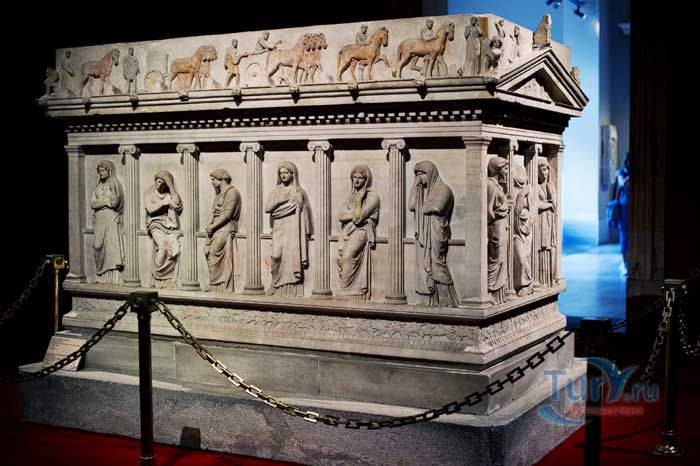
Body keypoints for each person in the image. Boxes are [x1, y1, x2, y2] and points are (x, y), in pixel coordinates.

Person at [409, 161, 459, 307]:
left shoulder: (443, 189)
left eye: (422, 174)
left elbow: (436, 208)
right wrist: (415, 184)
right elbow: (411, 205)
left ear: (431, 173)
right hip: (423, 233)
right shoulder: (423, 191)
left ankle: (447, 301)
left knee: (436, 263)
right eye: (417, 175)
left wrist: (424, 205)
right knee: (424, 266)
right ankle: (430, 300)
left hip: (437, 232)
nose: (420, 178)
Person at [265, 161, 312, 297]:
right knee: (275, 256)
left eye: (286, 172)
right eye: (281, 173)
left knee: (293, 257)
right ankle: (275, 283)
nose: (283, 175)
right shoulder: (277, 190)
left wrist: (300, 205)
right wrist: (279, 201)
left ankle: (291, 288)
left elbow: (304, 212)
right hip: (279, 227)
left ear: (293, 174)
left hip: (293, 228)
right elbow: (267, 208)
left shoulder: (298, 191)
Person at [336, 165, 380, 300]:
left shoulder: (373, 197)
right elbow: (341, 216)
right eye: (354, 177)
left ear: (366, 180)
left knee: (348, 256)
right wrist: (353, 214)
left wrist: (359, 201)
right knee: (341, 257)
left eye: (360, 178)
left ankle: (347, 291)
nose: (356, 180)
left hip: (362, 231)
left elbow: (359, 218)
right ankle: (346, 289)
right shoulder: (351, 196)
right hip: (347, 231)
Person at [145, 170, 183, 289]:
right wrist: (163, 203)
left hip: (169, 225)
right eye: (158, 181)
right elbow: (150, 209)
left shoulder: (169, 192)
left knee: (173, 249)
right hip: (155, 223)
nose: (160, 185)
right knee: (162, 246)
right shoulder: (149, 192)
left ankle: (167, 280)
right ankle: (157, 274)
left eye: (163, 183)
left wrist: (171, 186)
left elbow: (177, 204)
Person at [205, 169, 241, 292]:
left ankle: (220, 285)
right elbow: (214, 212)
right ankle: (214, 284)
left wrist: (212, 226)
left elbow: (227, 214)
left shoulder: (232, 192)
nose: (212, 182)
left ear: (222, 178)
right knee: (209, 253)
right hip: (215, 228)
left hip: (223, 228)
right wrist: (210, 225)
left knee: (214, 252)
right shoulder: (219, 194)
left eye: (213, 179)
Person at [90, 160, 125, 284]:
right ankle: (99, 274)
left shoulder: (114, 183)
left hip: (110, 218)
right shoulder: (98, 186)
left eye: (103, 170)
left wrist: (102, 202)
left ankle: (112, 278)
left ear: (109, 171)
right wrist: (106, 202)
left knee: (111, 248)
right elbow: (93, 204)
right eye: (99, 171)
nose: (101, 173)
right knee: (97, 246)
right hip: (100, 218)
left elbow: (114, 203)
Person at [487, 156, 509, 304]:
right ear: (497, 168)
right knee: (496, 259)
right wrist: (502, 211)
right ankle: (490, 289)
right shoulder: (490, 185)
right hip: (496, 227)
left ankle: (498, 293)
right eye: (505, 168)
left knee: (501, 259)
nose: (507, 171)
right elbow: (488, 210)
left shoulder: (497, 185)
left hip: (502, 225)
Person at [512, 164, 533, 296]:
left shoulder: (529, 190)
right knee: (520, 257)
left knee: (525, 257)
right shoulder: (512, 190)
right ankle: (521, 284)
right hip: (514, 231)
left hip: (526, 229)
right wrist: (520, 195)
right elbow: (516, 209)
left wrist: (524, 194)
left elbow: (532, 210)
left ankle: (527, 284)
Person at [537, 158, 557, 287]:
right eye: (541, 170)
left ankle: (550, 279)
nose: (544, 173)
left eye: (546, 170)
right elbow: (536, 205)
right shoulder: (536, 187)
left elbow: (554, 204)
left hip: (549, 220)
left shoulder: (550, 186)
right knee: (541, 248)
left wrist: (549, 202)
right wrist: (548, 205)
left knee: (550, 248)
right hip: (540, 221)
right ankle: (540, 280)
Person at [610, 153, 630, 276]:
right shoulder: (621, 172)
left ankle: (631, 262)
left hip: (633, 209)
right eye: (628, 160)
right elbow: (623, 183)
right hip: (624, 210)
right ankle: (624, 264)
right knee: (624, 236)